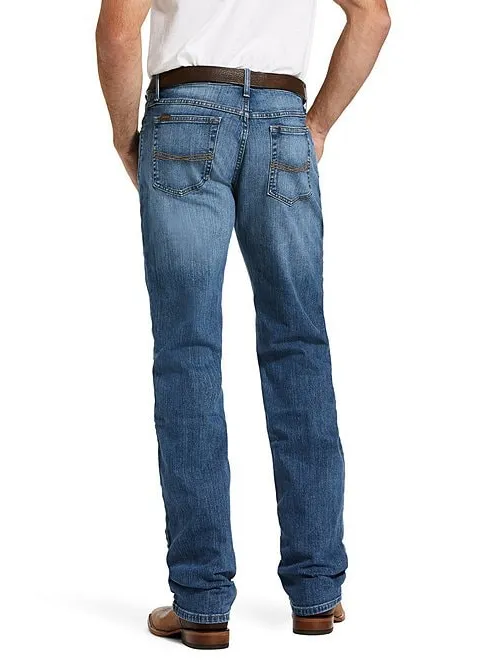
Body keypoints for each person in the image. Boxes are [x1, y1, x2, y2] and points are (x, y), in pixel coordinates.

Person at [96, 0, 390, 650]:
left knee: (188, 353)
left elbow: (118, 28)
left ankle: (202, 603)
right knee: (299, 346)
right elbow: (372, 16)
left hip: (184, 116)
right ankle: (316, 592)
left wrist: (123, 137)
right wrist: (317, 124)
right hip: (284, 121)